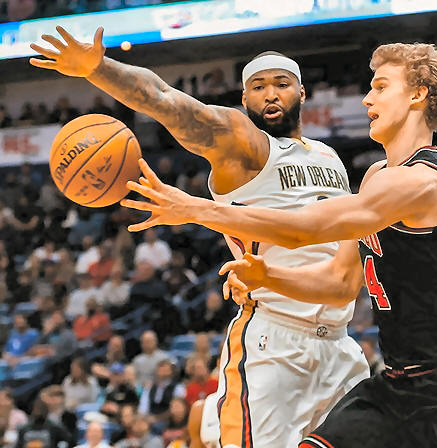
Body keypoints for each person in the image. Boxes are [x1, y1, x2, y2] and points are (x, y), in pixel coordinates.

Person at [123, 42, 437, 447]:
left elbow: (304, 229)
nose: (367, 99)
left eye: (381, 87)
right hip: (399, 386)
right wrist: (268, 275)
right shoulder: (377, 176)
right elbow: (339, 281)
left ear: (417, 95)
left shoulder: (422, 182)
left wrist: (196, 209)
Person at [33, 26, 371, 448]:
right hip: (276, 343)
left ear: (302, 93)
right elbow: (166, 100)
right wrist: (99, 69)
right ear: (244, 99)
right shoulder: (244, 145)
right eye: (258, 87)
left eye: (282, 84)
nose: (270, 94)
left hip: (340, 343)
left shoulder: (330, 157)